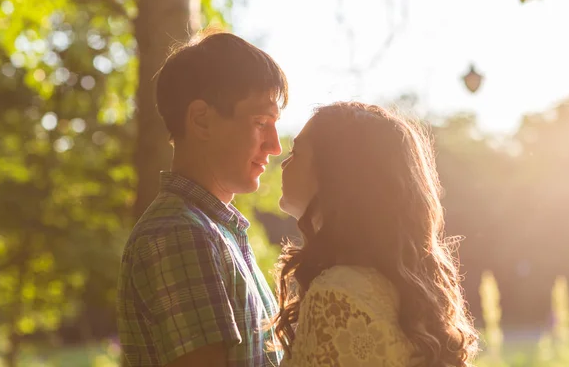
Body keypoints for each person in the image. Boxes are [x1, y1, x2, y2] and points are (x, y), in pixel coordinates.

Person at [116, 31, 288, 367]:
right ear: (201, 119)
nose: (275, 146)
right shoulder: (179, 234)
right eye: (261, 122)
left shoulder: (215, 230)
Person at [272, 102, 479, 367]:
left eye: (295, 152)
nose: (283, 164)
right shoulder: (400, 284)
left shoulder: (337, 293)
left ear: (334, 173)